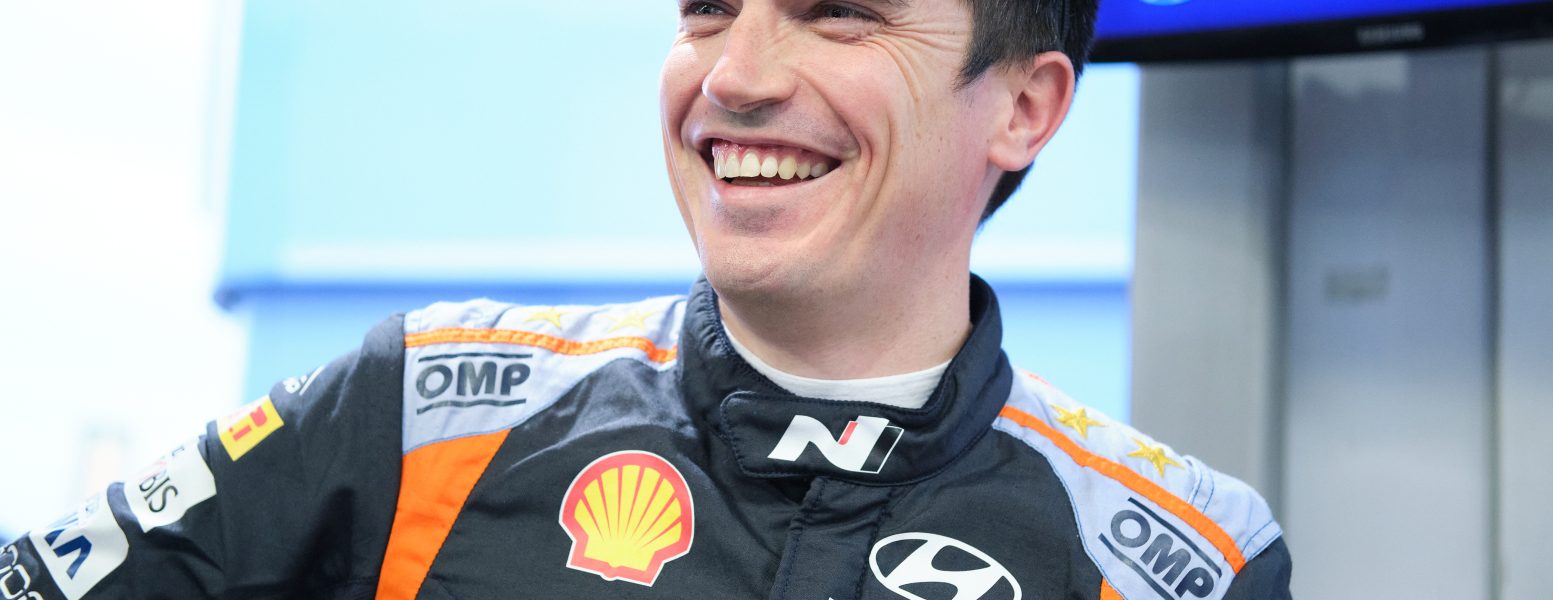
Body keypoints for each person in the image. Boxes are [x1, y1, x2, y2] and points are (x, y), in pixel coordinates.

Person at [1, 0, 1291, 598]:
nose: (734, 74)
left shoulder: (1189, 559)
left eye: (839, 14)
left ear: (1025, 106)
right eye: (708, 8)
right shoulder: (421, 408)